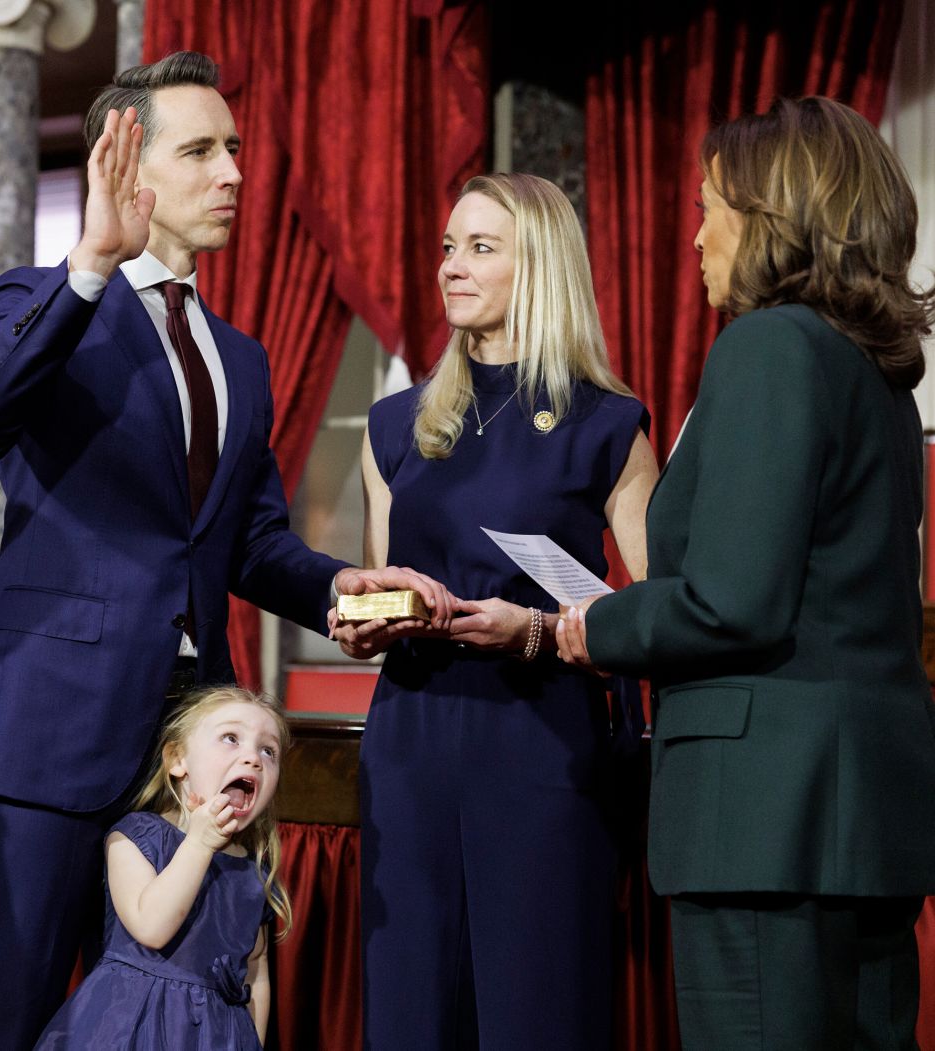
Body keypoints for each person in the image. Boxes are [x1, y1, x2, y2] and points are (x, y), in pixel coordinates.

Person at [0, 50, 442, 1051]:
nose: (234, 173)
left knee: (160, 1017)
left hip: (180, 754)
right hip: (43, 735)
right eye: (202, 150)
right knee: (10, 1013)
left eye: (236, 149)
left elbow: (244, 541)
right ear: (129, 167)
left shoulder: (240, 356)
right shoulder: (40, 298)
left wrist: (340, 581)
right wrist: (88, 266)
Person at [557, 96, 935, 1049]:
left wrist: (591, 627)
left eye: (709, 207)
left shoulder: (770, 347)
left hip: (767, 825)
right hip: (859, 824)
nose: (693, 237)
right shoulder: (877, 370)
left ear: (772, 219)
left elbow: (735, 603)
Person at [332, 172, 659, 1050]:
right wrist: (364, 618)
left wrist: (541, 632)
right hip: (410, 746)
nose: (450, 267)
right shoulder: (396, 424)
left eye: (480, 248)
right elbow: (377, 581)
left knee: (538, 1008)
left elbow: (666, 614)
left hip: (543, 748)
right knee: (412, 1010)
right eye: (447, 247)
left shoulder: (609, 424)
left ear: (541, 267)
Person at [35, 686, 288, 1049]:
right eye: (231, 738)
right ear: (177, 760)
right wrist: (200, 843)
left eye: (269, 750)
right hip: (130, 1028)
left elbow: (254, 971)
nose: (253, 758)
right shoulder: (134, 837)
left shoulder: (251, 873)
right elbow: (152, 928)